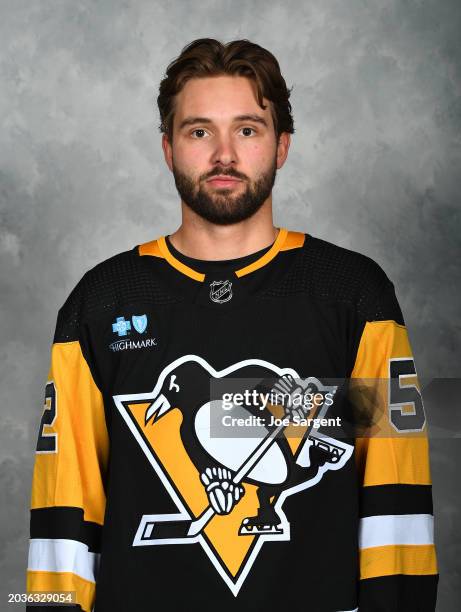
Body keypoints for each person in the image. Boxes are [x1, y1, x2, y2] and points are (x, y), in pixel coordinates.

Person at [26, 38, 438, 611]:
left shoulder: (352, 296)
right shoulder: (101, 303)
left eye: (247, 129)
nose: (224, 154)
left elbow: (395, 495)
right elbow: (62, 514)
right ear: (168, 149)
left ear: (282, 145)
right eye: (199, 131)